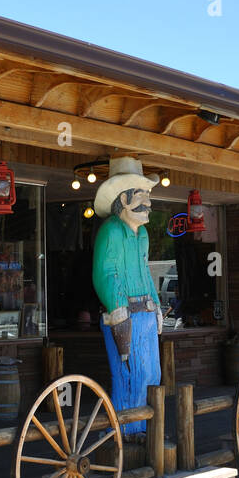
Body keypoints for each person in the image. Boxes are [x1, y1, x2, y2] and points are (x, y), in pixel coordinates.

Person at [92, 157, 161, 438]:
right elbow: (104, 272)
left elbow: (145, 272)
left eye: (148, 196)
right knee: (129, 377)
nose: (148, 203)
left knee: (151, 376)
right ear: (124, 198)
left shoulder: (142, 235)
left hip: (144, 313)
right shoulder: (110, 231)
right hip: (124, 315)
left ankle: (143, 431)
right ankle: (124, 434)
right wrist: (116, 304)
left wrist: (156, 306)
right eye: (142, 196)